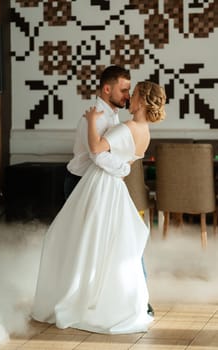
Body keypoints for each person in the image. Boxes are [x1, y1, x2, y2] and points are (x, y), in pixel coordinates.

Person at [31, 80, 166, 334]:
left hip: (101, 186)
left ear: (142, 101)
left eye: (133, 94)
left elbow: (96, 149)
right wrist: (122, 167)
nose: (129, 98)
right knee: (106, 243)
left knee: (82, 240)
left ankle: (84, 296)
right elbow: (123, 161)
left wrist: (92, 120)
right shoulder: (145, 133)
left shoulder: (127, 127)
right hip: (115, 187)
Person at [64, 65, 132, 200]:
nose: (127, 96)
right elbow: (98, 156)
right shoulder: (95, 118)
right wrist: (126, 167)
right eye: (123, 91)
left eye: (128, 91)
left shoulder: (113, 114)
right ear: (107, 89)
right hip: (80, 182)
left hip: (98, 181)